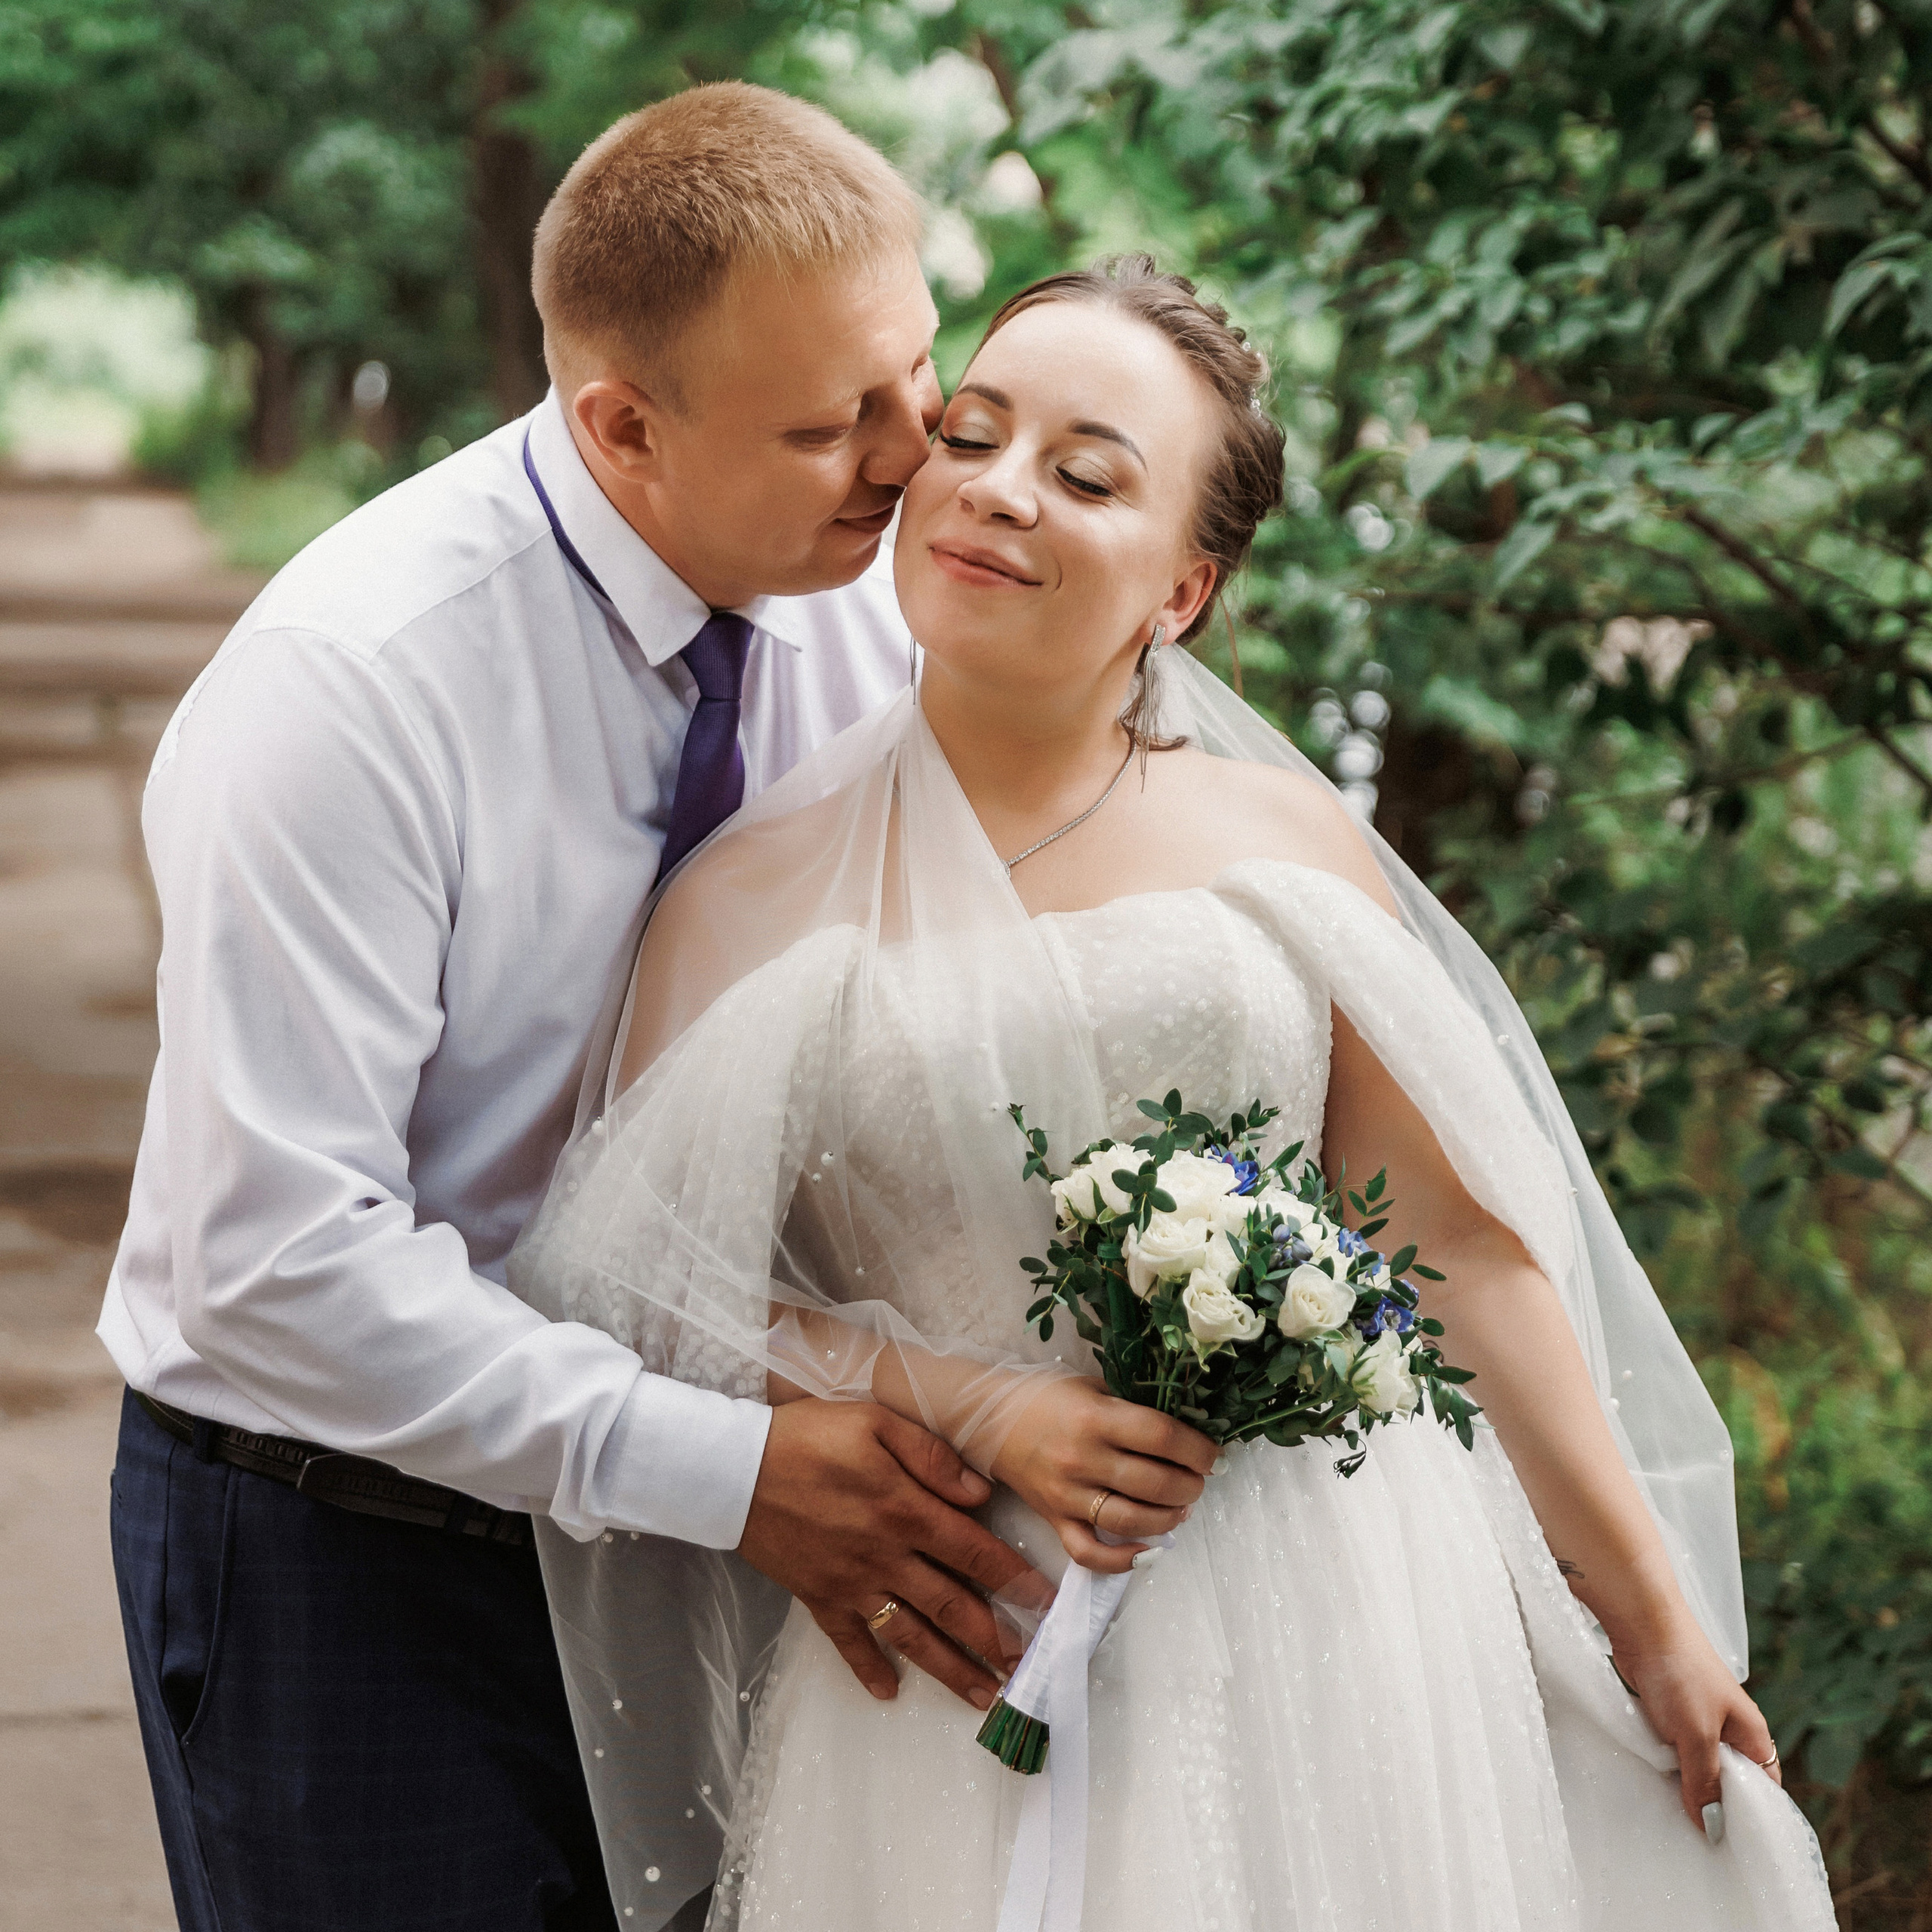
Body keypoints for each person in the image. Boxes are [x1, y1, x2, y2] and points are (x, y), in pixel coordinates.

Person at [510, 256, 1838, 1930]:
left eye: (1083, 475)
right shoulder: (742, 891)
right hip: (960, 1620)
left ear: (1182, 589)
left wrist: (1648, 1612)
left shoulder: (1285, 845)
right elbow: (654, 1300)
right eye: (971, 434)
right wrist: (963, 1399)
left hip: (1335, 1607)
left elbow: (1456, 1251)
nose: (996, 491)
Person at [100, 84, 1064, 1932]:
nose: (907, 448)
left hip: (743, 1520)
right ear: (621, 425)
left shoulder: (873, 599)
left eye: (910, 373)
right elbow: (273, 1258)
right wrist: (723, 1467)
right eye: (825, 422)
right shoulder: (349, 691)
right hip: (352, 1541)